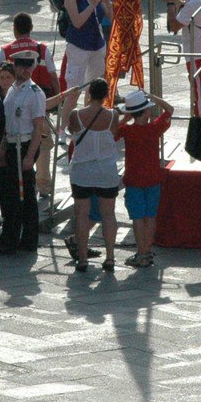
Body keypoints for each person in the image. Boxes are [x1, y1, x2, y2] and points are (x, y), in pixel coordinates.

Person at [0, 52, 50, 255]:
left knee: (25, 197)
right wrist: (1, 147)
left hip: (24, 146)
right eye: (21, 65)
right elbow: (9, 123)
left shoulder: (34, 93)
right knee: (9, 196)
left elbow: (37, 128)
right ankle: (11, 238)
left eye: (29, 66)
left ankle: (27, 240)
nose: (25, 69)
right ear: (14, 66)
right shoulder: (13, 90)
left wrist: (29, 157)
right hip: (10, 144)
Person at [63, 77, 123, 272]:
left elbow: (71, 132)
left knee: (81, 214)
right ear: (106, 95)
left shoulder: (76, 114)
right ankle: (110, 257)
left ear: (89, 94)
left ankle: (82, 259)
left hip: (82, 169)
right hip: (106, 170)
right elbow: (113, 134)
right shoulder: (113, 115)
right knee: (108, 214)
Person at [113, 88, 172, 267]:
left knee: (137, 218)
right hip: (153, 178)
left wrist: (125, 116)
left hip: (134, 180)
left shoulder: (127, 131)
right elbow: (170, 110)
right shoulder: (154, 128)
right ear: (146, 111)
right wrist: (152, 95)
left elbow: (112, 134)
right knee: (151, 216)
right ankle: (147, 250)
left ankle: (141, 253)